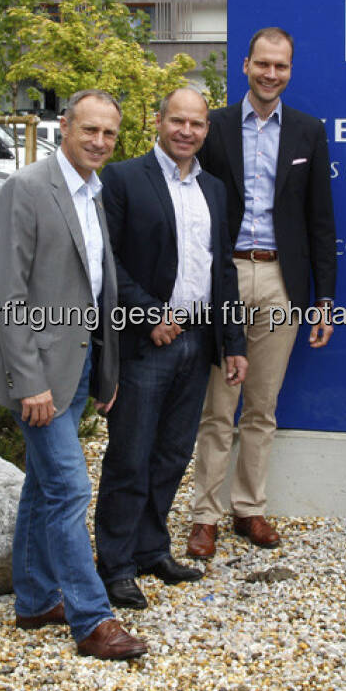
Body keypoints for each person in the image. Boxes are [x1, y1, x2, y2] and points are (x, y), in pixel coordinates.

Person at [0, 89, 146, 661]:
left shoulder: (93, 193)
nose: (99, 142)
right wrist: (30, 382)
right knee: (70, 488)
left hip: (81, 363)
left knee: (43, 487)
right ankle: (92, 620)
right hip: (39, 373)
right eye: (89, 130)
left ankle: (36, 598)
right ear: (63, 127)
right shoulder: (27, 188)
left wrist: (106, 370)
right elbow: (8, 294)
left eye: (109, 134)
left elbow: (98, 288)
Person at [186, 26, 337, 558]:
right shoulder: (217, 126)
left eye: (282, 66)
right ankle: (204, 515)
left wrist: (324, 299)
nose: (272, 74)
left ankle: (249, 508)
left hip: (280, 281)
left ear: (290, 71)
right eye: (263, 64)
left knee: (262, 405)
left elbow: (321, 221)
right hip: (223, 277)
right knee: (217, 407)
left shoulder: (308, 132)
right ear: (245, 65)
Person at [95, 88, 248, 609]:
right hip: (146, 344)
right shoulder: (122, 180)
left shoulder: (216, 190)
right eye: (177, 121)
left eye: (197, 124)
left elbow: (221, 267)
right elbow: (107, 261)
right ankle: (114, 565)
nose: (187, 131)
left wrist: (233, 341)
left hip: (198, 338)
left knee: (171, 456)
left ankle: (150, 549)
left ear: (207, 130)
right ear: (157, 121)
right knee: (129, 459)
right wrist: (146, 316)